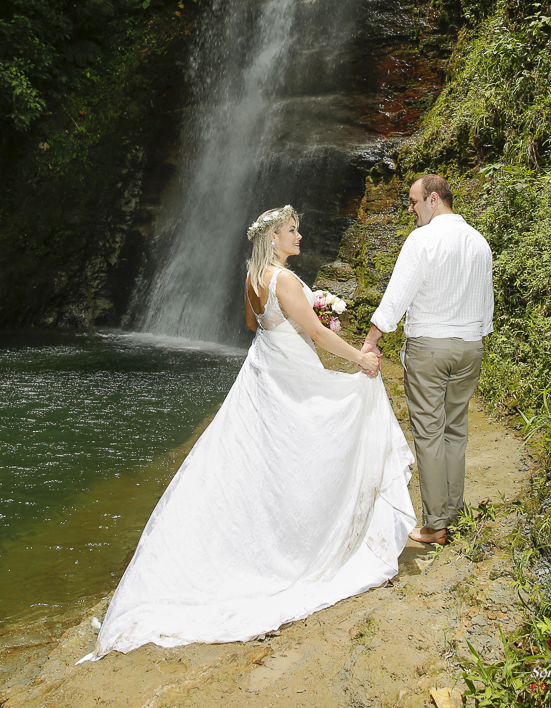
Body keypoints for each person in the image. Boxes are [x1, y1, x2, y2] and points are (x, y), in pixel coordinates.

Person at [79, 205, 415, 659]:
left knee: (264, 458)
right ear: (272, 239)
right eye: (291, 230)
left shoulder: (255, 280)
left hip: (263, 372)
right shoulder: (285, 280)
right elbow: (314, 334)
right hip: (291, 373)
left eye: (298, 228)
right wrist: (359, 357)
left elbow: (252, 325)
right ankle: (306, 539)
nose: (299, 235)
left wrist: (292, 323)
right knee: (309, 445)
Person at [361, 174, 494, 546]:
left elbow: (397, 296)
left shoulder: (423, 240)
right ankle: (452, 511)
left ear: (433, 199)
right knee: (456, 428)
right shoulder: (479, 242)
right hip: (470, 347)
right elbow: (486, 304)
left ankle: (435, 526)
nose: (410, 209)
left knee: (429, 433)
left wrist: (372, 340)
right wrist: (476, 337)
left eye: (413, 201)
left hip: (430, 348)